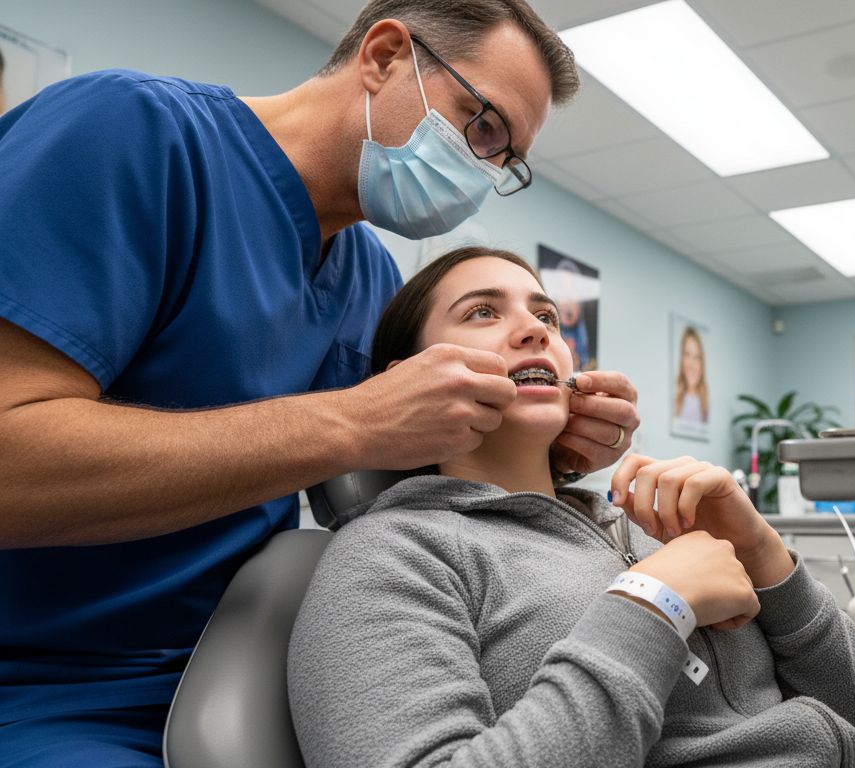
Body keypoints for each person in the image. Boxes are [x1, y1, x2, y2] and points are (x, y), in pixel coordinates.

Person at [0, 2, 638, 764]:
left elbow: (413, 482)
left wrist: (547, 442)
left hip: (259, 668)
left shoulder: (366, 276)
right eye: (484, 126)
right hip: (48, 690)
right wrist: (352, 421)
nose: (485, 167)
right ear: (384, 55)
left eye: (507, 160)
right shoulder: (130, 134)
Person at [287, 246, 855, 767]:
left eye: (545, 315)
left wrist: (764, 553)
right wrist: (652, 604)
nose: (537, 330)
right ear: (408, 378)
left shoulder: (653, 527)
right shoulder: (394, 552)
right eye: (482, 312)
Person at [673, 325, 708, 424]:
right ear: (681, 359)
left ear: (702, 362)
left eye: (696, 357)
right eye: (687, 355)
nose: (691, 364)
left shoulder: (705, 405)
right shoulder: (675, 399)